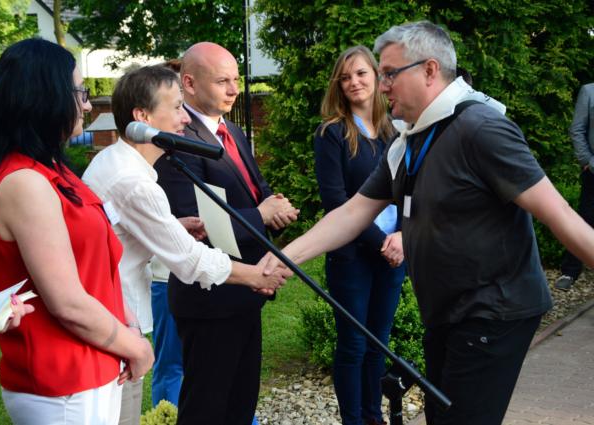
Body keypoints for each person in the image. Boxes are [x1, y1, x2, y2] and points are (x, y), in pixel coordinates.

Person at [261, 20, 594, 425]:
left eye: (389, 74)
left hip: (493, 313)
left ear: (430, 70)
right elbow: (351, 213)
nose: (383, 86)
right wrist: (285, 256)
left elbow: (560, 215)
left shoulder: (481, 129)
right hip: (447, 314)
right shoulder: (410, 140)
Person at [81, 65, 290, 424]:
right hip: (113, 321)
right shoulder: (134, 182)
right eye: (177, 107)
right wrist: (256, 276)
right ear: (142, 117)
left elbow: (119, 231)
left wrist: (173, 227)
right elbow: (190, 261)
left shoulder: (117, 163)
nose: (185, 117)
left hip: (113, 317)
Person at [0, 38, 154, 425]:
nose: (88, 105)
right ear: (45, 96)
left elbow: (102, 269)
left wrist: (129, 329)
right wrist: (136, 347)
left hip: (95, 366)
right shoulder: (24, 182)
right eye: (81, 93)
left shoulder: (55, 173)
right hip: (64, 382)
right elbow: (67, 302)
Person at [154, 41, 299, 425]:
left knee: (240, 403)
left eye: (236, 79)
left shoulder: (230, 129)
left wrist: (275, 205)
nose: (235, 90)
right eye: (222, 81)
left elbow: (255, 188)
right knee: (207, 408)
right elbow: (193, 224)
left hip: (247, 292)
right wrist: (261, 214)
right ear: (189, 83)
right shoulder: (178, 138)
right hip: (210, 297)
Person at [313, 45, 405, 425]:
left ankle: (373, 417)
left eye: (361, 73)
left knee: (377, 343)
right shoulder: (331, 133)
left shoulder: (398, 130)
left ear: (377, 77)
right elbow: (336, 201)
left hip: (394, 252)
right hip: (352, 255)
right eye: (345, 77)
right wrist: (381, 241)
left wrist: (402, 237)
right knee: (353, 344)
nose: (353, 82)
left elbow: (412, 191)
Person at [149, 58, 186, 409]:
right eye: (175, 105)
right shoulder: (151, 156)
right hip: (165, 275)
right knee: (171, 363)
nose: (183, 114)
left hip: (200, 271)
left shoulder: (186, 146)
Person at [554, 82, 594, 290]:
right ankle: (570, 271)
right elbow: (577, 129)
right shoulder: (589, 91)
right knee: (585, 218)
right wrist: (587, 161)